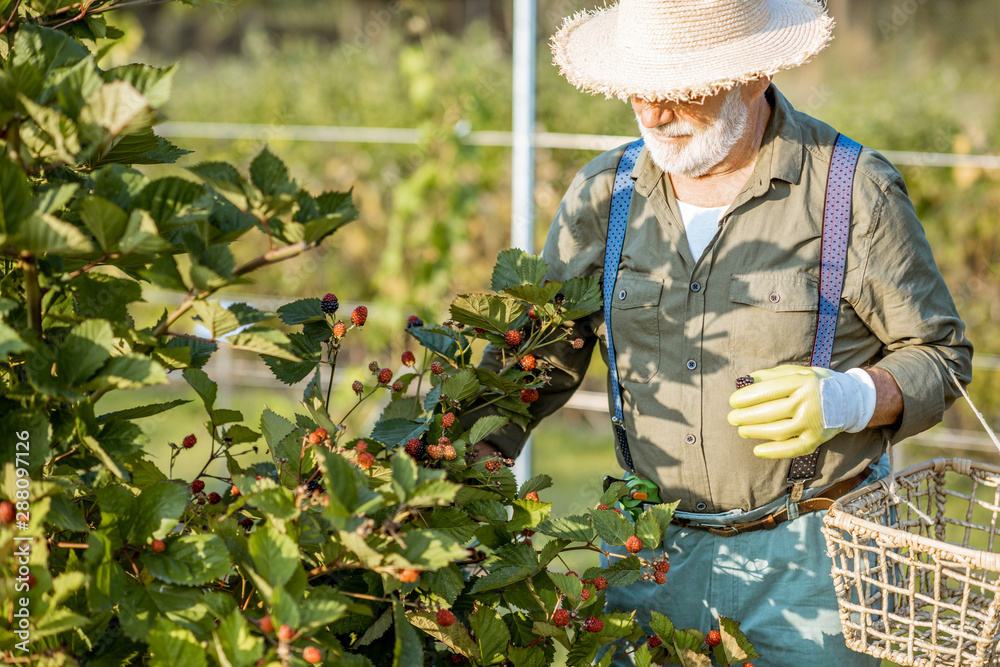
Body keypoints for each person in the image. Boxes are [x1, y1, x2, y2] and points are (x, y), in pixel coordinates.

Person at [468, 0, 973, 664]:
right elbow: (528, 367)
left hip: (815, 563)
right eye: (637, 89)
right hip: (646, 556)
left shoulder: (850, 192)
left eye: (679, 90)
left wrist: (848, 397)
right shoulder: (604, 197)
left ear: (757, 73)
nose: (651, 113)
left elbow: (940, 354)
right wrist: (447, 475)